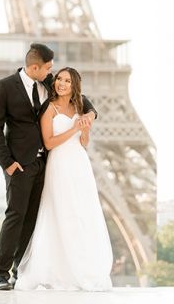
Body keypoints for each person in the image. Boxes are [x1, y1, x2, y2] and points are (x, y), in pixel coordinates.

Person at [0, 44, 98, 291]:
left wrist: (91, 114)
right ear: (34, 67)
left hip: (46, 163)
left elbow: (80, 98)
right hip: (20, 163)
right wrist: (7, 163)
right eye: (48, 68)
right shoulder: (5, 86)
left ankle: (21, 269)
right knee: (16, 216)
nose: (52, 72)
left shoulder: (48, 82)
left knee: (33, 219)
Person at [15, 67, 113, 291]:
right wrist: (73, 129)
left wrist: (84, 128)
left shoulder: (80, 107)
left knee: (80, 214)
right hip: (59, 165)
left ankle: (80, 266)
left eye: (67, 81)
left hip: (79, 165)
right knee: (60, 213)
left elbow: (83, 142)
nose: (61, 83)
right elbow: (48, 143)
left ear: (74, 85)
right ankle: (59, 269)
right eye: (59, 78)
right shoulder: (49, 108)